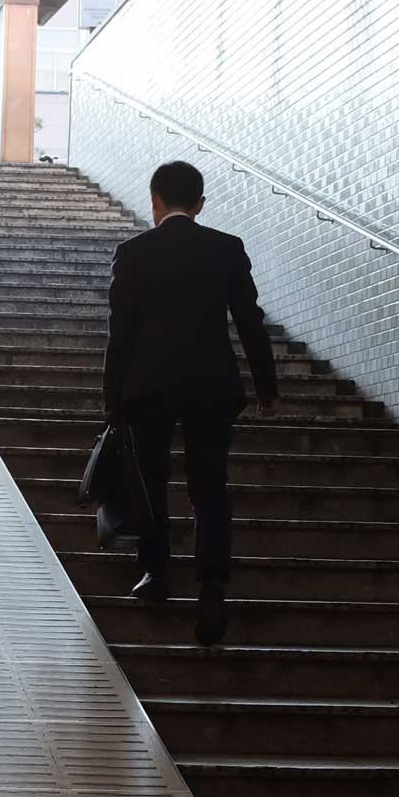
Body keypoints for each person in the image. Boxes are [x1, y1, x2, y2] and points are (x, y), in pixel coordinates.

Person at [103, 159, 280, 647]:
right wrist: (266, 385)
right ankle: (211, 586)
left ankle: (155, 574)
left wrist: (111, 396)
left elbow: (121, 335)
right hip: (211, 385)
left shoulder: (133, 253)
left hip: (148, 386)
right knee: (210, 485)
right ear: (201, 204)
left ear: (154, 200)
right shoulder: (226, 249)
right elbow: (249, 321)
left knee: (152, 480)